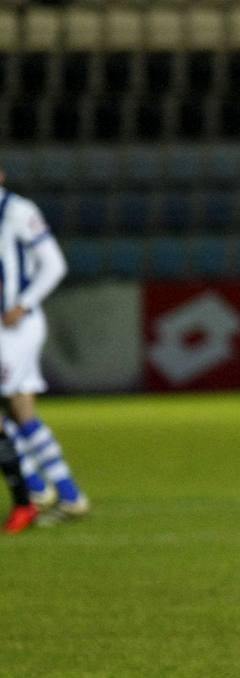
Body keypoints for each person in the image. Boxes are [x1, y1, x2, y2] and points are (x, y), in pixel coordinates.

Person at [0, 165, 89, 525]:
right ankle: (54, 491)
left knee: (17, 407)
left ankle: (50, 490)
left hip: (15, 326)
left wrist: (23, 303)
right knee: (17, 410)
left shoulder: (18, 212)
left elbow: (54, 265)